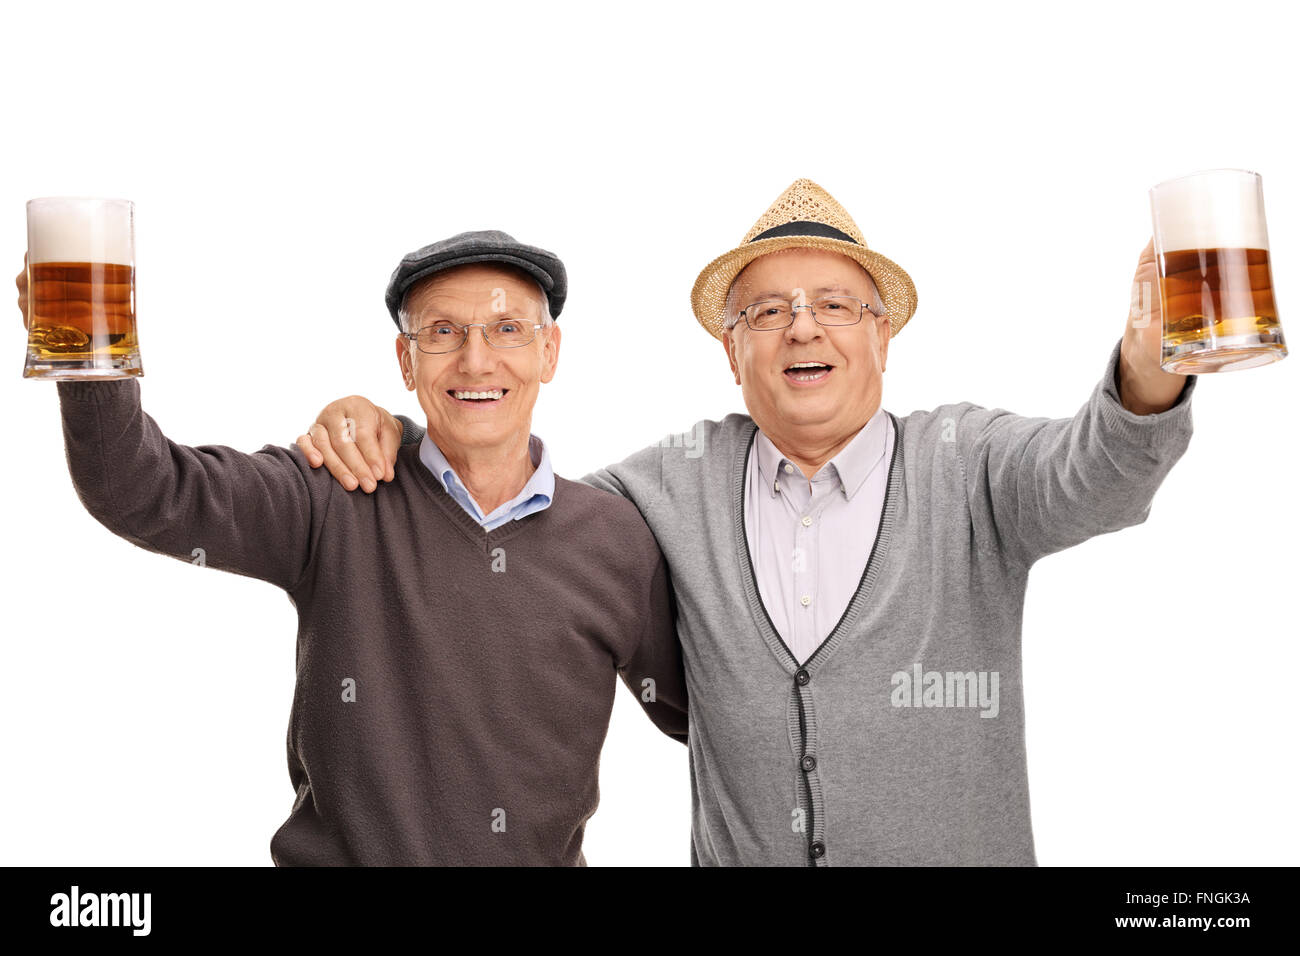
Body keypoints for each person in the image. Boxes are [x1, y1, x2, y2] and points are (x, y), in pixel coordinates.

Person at [298, 180, 1197, 866]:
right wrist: (386, 425)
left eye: (836, 306)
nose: (802, 330)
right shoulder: (663, 488)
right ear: (732, 352)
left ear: (883, 339)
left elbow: (1099, 479)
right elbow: (511, 508)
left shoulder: (972, 465)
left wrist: (1147, 372)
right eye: (766, 312)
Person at [18, 230, 687, 866]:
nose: (476, 360)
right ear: (405, 360)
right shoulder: (334, 492)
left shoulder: (616, 539)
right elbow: (142, 491)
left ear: (550, 352)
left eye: (507, 329)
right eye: (442, 332)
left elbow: (706, 711)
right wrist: (86, 344)